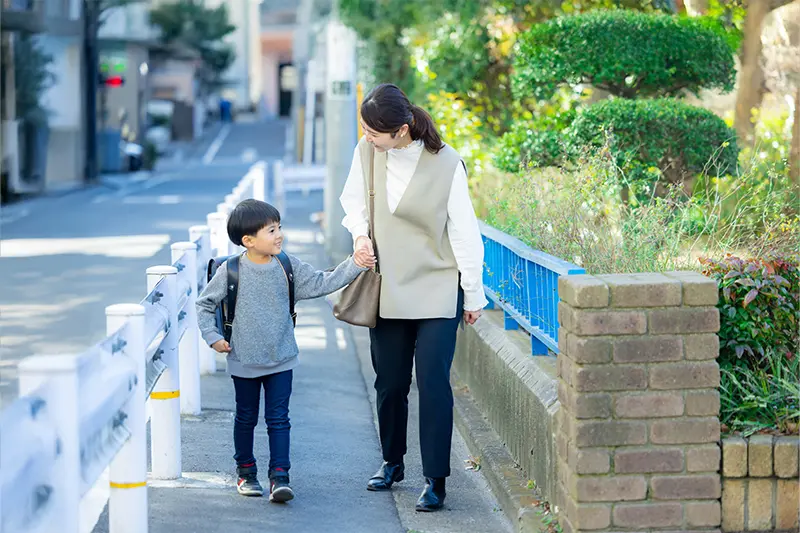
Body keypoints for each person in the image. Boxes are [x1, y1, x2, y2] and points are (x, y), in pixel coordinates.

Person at [339, 83, 487, 512]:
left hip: (438, 286)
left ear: (401, 130)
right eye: (364, 130)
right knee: (389, 382)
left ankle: (436, 479)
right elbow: (353, 201)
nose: (367, 137)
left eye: (374, 132)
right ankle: (392, 462)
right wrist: (360, 236)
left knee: (434, 384)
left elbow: (464, 232)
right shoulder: (367, 152)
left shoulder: (447, 163)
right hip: (388, 285)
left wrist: (473, 295)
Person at [196, 199, 374, 501]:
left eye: (279, 227)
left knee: (279, 419)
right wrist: (213, 337)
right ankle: (246, 472)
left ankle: (280, 477)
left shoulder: (287, 266)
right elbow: (204, 304)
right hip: (244, 359)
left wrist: (355, 263)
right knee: (246, 418)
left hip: (282, 358)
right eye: (271, 230)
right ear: (248, 240)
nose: (279, 235)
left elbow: (322, 282)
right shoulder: (231, 271)